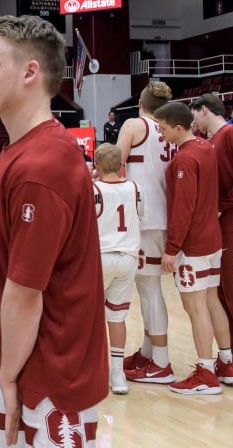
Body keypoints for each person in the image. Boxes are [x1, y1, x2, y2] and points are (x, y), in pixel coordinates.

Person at [0, 14, 107, 446]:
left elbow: (25, 291)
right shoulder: (19, 153)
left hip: (50, 377)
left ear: (30, 71)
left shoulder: (42, 165)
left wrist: (9, 375)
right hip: (21, 360)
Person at [154, 101, 233, 393]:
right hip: (213, 237)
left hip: (194, 243)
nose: (161, 134)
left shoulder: (186, 160)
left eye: (163, 128)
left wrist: (172, 247)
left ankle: (205, 372)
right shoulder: (206, 148)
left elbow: (183, 208)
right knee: (212, 300)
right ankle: (226, 363)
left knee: (195, 307)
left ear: (178, 127)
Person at [116, 81, 176, 385]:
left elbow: (113, 164)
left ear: (141, 103)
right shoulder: (170, 129)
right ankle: (151, 351)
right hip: (165, 215)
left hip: (144, 217)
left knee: (149, 290)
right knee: (148, 288)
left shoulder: (134, 124)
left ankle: (162, 362)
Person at [190, 93, 233, 365]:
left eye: (195, 114)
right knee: (222, 292)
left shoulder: (231, 134)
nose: (193, 121)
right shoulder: (211, 141)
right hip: (220, 224)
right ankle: (231, 354)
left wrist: (220, 206)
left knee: (231, 290)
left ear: (204, 110)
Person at [92, 142, 142, 395]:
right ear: (121, 164)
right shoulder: (134, 188)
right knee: (117, 317)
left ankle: (91, 370)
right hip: (128, 256)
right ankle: (117, 374)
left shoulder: (93, 188)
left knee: (90, 317)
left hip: (100, 256)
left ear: (96, 165)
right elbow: (139, 214)